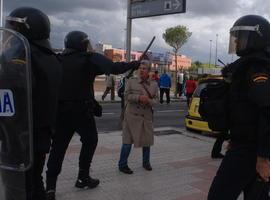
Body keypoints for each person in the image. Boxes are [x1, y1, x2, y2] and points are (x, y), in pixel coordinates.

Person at [45, 30, 140, 200]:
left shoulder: (57, 58)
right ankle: (83, 177)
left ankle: (50, 188)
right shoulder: (89, 58)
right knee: (90, 140)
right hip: (82, 112)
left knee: (58, 149)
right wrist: (132, 64)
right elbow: (113, 68)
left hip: (61, 113)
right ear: (82, 43)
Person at [207, 15, 270, 200]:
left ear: (257, 37)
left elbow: (268, 110)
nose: (236, 41)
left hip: (249, 151)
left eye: (240, 36)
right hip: (246, 145)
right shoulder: (248, 65)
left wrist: (263, 157)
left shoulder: (257, 68)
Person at [3, 7, 62, 200]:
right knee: (35, 182)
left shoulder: (23, 58)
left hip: (18, 139)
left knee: (17, 189)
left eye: (13, 28)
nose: (9, 34)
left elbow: (11, 95)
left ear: (26, 29)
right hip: (40, 136)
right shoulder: (51, 58)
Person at [118, 60, 159, 174]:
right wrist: (138, 98)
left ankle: (146, 163)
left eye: (144, 68)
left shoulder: (154, 84)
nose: (141, 70)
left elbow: (156, 100)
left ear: (148, 71)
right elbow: (126, 96)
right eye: (140, 68)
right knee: (127, 142)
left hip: (146, 117)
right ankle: (122, 164)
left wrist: (149, 101)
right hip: (131, 116)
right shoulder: (131, 81)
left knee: (147, 142)